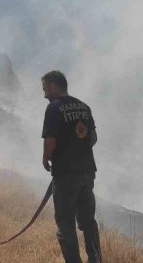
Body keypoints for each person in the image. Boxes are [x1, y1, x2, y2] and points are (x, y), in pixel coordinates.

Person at [41, 70, 101, 263]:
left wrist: (46, 157)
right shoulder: (84, 107)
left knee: (66, 225)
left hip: (65, 175)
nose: (44, 93)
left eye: (45, 88)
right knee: (88, 222)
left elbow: (50, 141)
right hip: (87, 172)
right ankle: (96, 259)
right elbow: (92, 138)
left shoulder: (54, 108)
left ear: (53, 85)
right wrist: (77, 152)